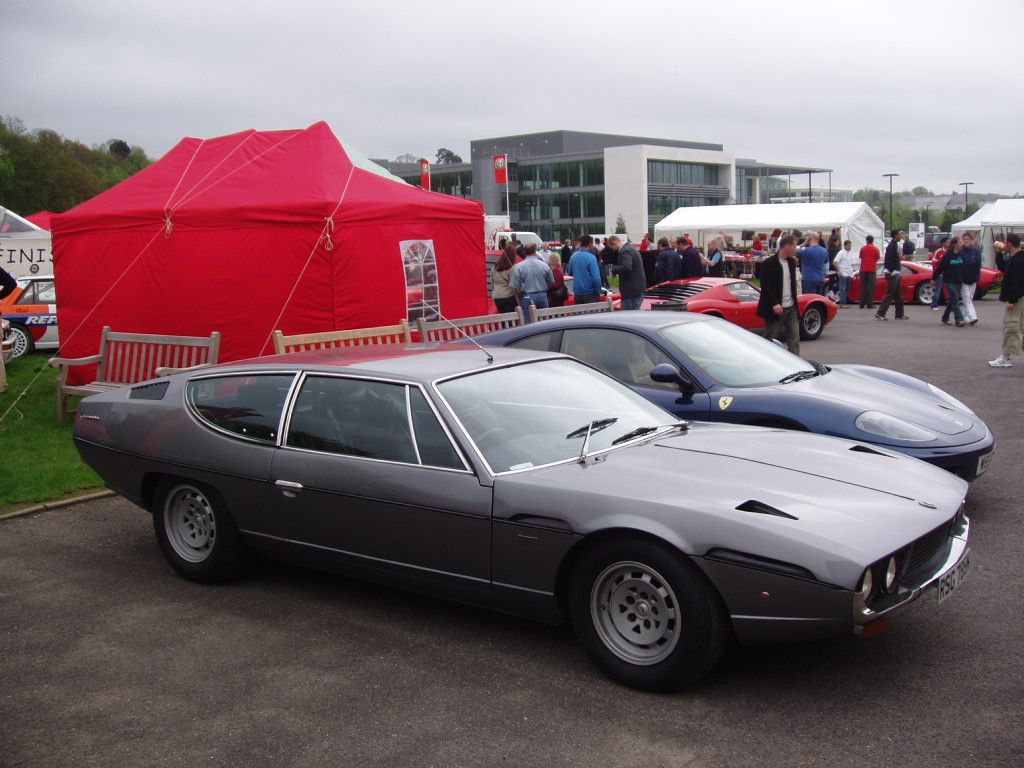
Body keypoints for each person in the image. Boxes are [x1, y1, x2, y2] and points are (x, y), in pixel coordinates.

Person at [757, 234, 801, 355]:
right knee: (771, 339)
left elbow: (792, 284)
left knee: (794, 339)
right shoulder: (769, 263)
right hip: (776, 308)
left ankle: (795, 364)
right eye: (794, 246)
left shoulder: (792, 262)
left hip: (791, 307)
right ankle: (768, 362)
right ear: (786, 246)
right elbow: (765, 286)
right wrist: (774, 303)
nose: (795, 249)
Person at [988, 233, 1024, 367]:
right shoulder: (1015, 258)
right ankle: (1006, 356)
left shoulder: (1019, 260)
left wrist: (1012, 300)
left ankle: (1006, 357)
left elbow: (1018, 282)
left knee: (1012, 327)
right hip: (1018, 298)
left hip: (1018, 299)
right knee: (1020, 327)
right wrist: (998, 252)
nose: (1003, 244)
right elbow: (1004, 267)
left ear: (1009, 244)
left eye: (1005, 242)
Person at [510, 243, 554, 323]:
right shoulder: (544, 265)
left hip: (527, 296)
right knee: (545, 321)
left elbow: (514, 286)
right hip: (542, 295)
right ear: (535, 251)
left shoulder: (518, 267)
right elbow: (551, 281)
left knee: (529, 321)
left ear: (525, 252)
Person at [934, 236, 966, 327]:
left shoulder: (961, 255)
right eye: (960, 242)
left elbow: (964, 268)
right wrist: (934, 278)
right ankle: (959, 319)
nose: (962, 244)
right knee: (955, 298)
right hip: (949, 280)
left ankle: (945, 317)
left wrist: (964, 277)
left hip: (959, 281)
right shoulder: (948, 255)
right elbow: (940, 268)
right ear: (955, 244)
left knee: (953, 300)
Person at [608, 236, 647, 310]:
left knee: (627, 317)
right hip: (637, 289)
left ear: (615, 243)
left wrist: (615, 269)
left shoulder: (625, 251)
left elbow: (627, 267)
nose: (613, 250)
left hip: (630, 291)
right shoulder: (630, 248)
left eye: (612, 247)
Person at [876, 229, 906, 321]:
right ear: (896, 235)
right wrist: (892, 271)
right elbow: (888, 260)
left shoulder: (895, 245)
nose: (901, 236)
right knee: (890, 293)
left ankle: (899, 314)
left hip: (896, 272)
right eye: (900, 234)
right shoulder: (891, 246)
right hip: (892, 273)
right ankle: (880, 313)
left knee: (899, 294)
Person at [566, 235, 604, 304]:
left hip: (577, 293)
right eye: (593, 244)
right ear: (590, 244)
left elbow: (570, 273)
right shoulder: (591, 258)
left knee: (580, 314)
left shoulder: (573, 256)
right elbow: (596, 278)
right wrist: (598, 290)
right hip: (590, 293)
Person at [960, 232, 982, 326]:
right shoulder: (960, 251)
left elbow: (978, 265)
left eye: (967, 239)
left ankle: (965, 317)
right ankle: (973, 317)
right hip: (963, 280)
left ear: (971, 240)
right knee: (967, 298)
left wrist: (977, 277)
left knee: (969, 299)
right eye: (964, 239)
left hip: (973, 279)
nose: (966, 241)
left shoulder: (976, 252)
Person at [798, 232, 829, 296]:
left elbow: (794, 249)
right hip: (820, 278)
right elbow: (826, 266)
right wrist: (824, 276)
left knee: (809, 299)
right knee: (819, 298)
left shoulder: (805, 250)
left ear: (810, 239)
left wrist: (804, 243)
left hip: (808, 278)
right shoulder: (824, 251)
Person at [491, 244, 518, 313]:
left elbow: (492, 282)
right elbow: (514, 285)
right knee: (511, 320)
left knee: (503, 319)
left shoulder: (495, 267)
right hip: (508, 296)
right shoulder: (512, 268)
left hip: (497, 297)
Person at [858, 234, 881, 309]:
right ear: (872, 240)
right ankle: (869, 303)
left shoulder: (863, 248)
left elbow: (861, 257)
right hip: (872, 269)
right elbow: (877, 258)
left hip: (863, 269)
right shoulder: (876, 249)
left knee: (863, 287)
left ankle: (862, 303)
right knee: (870, 287)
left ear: (867, 240)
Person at [833, 240, 857, 306]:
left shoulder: (849, 253)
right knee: (843, 288)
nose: (850, 247)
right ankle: (842, 303)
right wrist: (839, 271)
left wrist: (852, 272)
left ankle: (845, 302)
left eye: (850, 245)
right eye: (848, 246)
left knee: (847, 288)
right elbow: (835, 262)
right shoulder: (841, 253)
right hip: (843, 273)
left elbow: (850, 264)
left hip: (849, 273)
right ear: (845, 246)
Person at [930, 237, 948, 310]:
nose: (949, 244)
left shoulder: (950, 251)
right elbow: (934, 262)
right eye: (947, 242)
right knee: (938, 289)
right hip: (941, 275)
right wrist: (937, 273)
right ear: (943, 243)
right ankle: (934, 304)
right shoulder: (938, 251)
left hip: (948, 274)